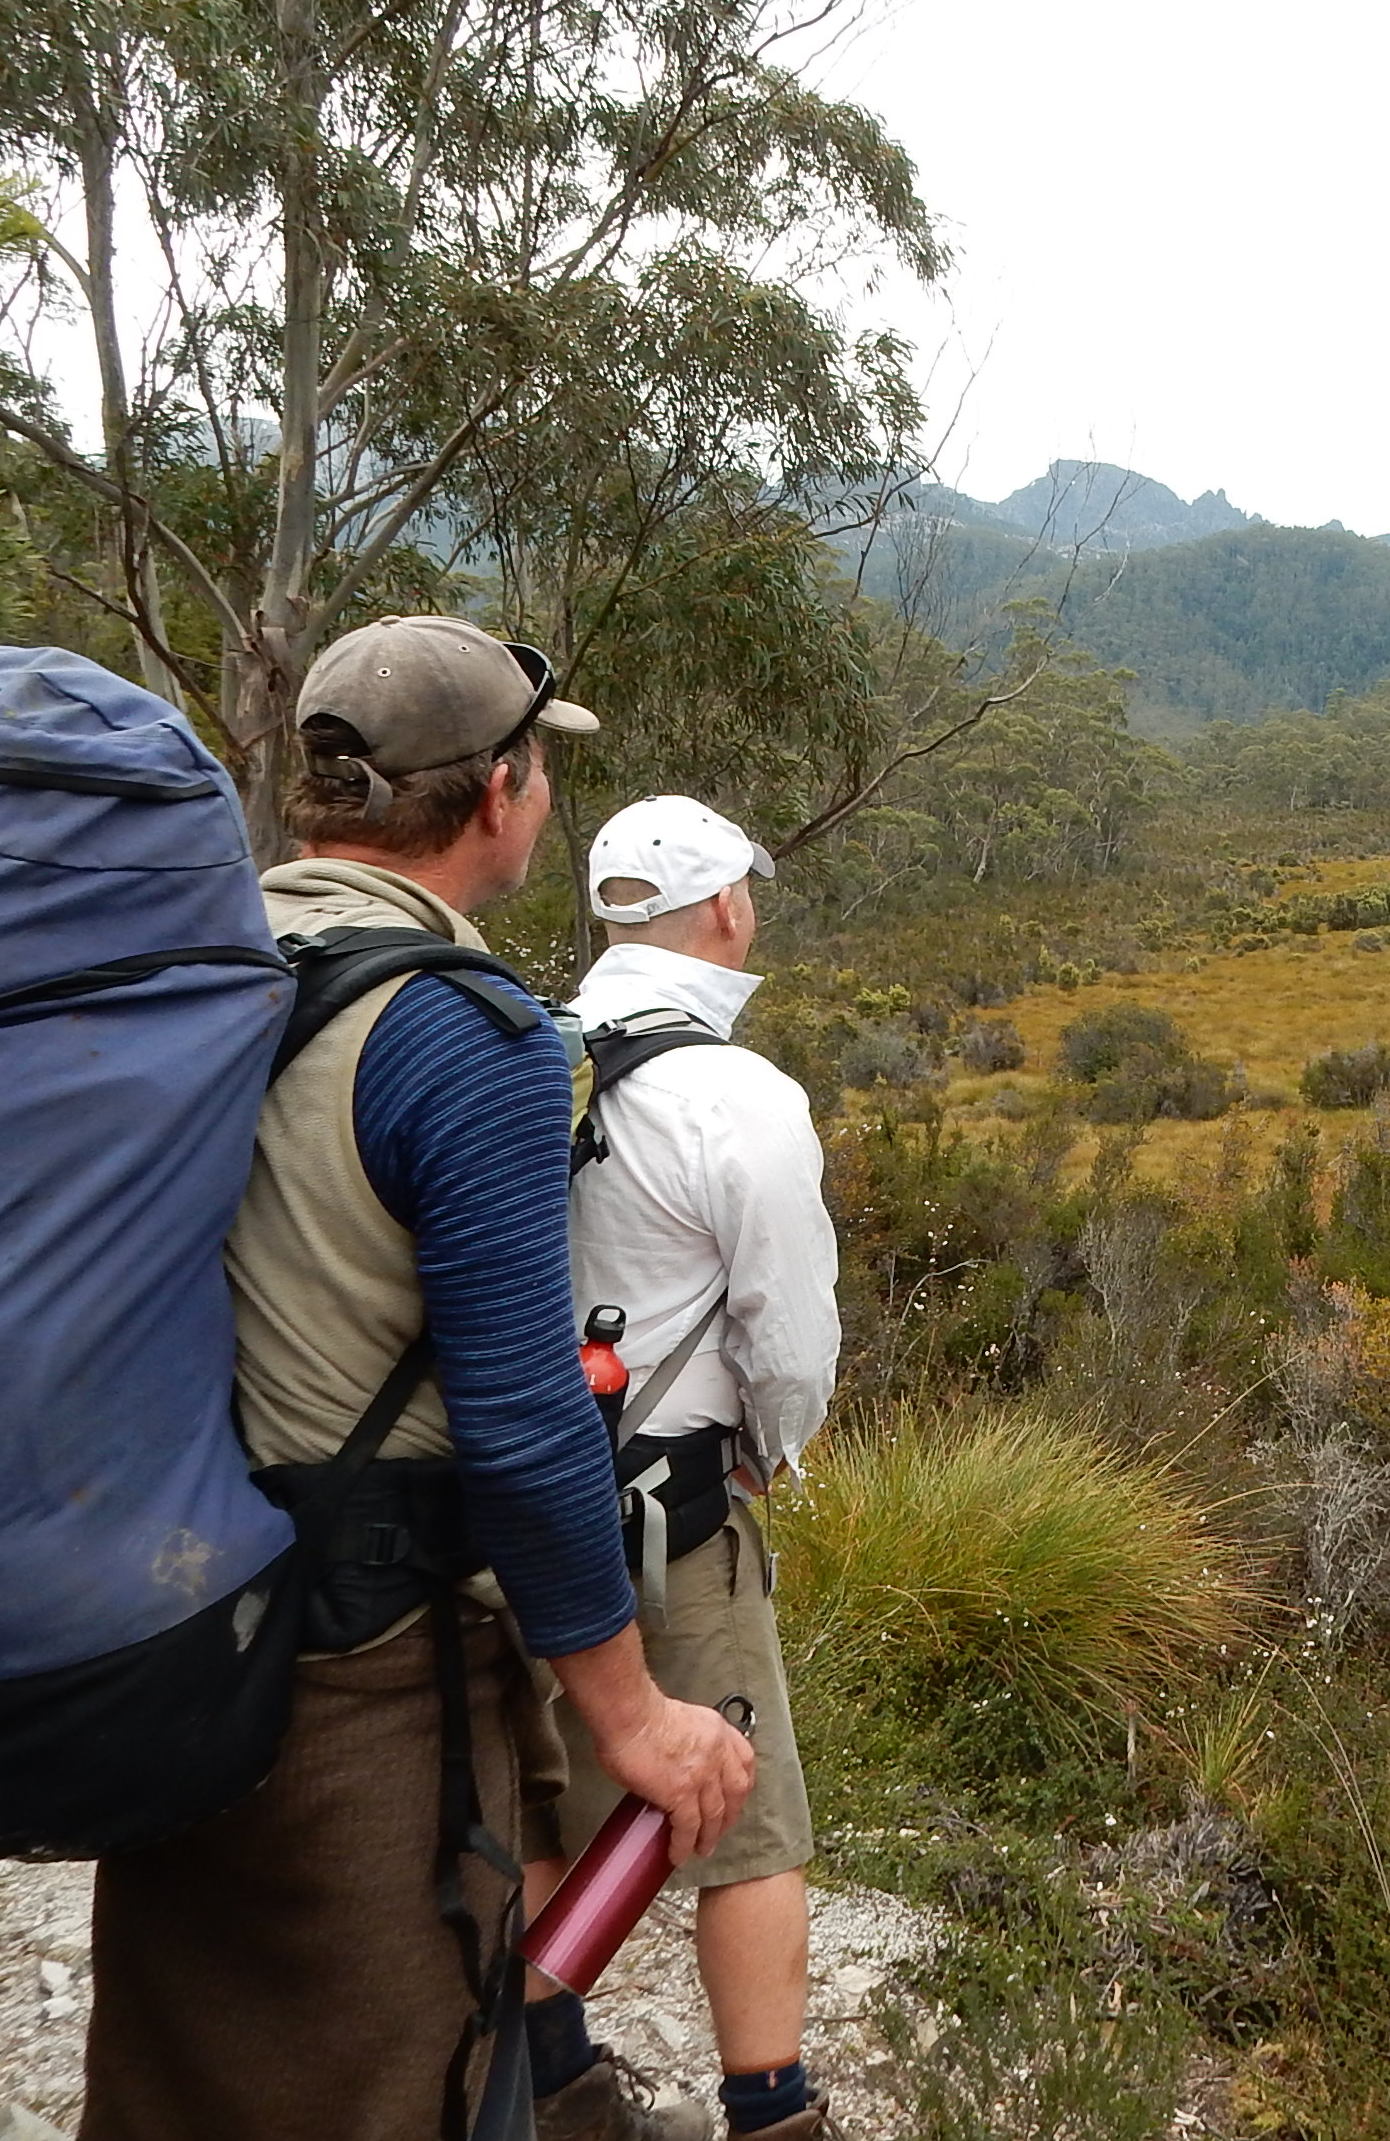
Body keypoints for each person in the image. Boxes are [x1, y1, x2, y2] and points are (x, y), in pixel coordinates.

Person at [83, 618, 753, 2141]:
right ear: (503, 791)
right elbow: (520, 1425)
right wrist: (633, 1713)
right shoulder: (469, 1037)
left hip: (164, 1619)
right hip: (355, 1671)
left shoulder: (198, 965)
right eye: (540, 772)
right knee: (401, 2079)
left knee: (173, 2068)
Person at [534, 796, 843, 2141]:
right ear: (725, 908)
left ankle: (549, 2080)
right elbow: (789, 1331)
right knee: (748, 1815)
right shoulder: (739, 1097)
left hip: (511, 1489)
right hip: (674, 1507)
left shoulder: (528, 1050)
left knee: (542, 1781)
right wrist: (776, 1446)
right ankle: (771, 2110)